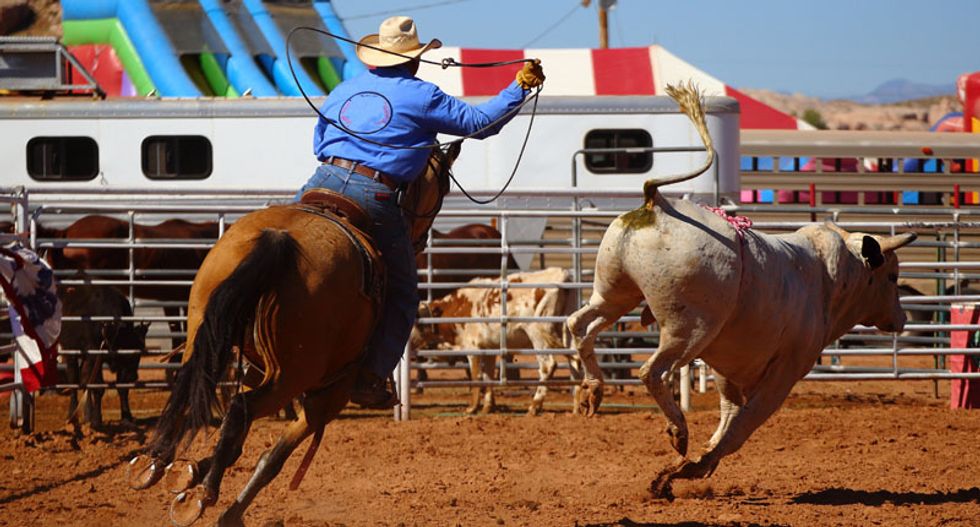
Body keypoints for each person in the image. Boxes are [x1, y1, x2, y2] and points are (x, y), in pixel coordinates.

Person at [296, 15, 545, 408]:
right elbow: (480, 123)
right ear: (415, 59)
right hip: (373, 193)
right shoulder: (423, 96)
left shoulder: (343, 90)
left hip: (319, 184)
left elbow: (320, 144)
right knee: (402, 294)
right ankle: (370, 377)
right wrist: (519, 87)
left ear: (374, 58)